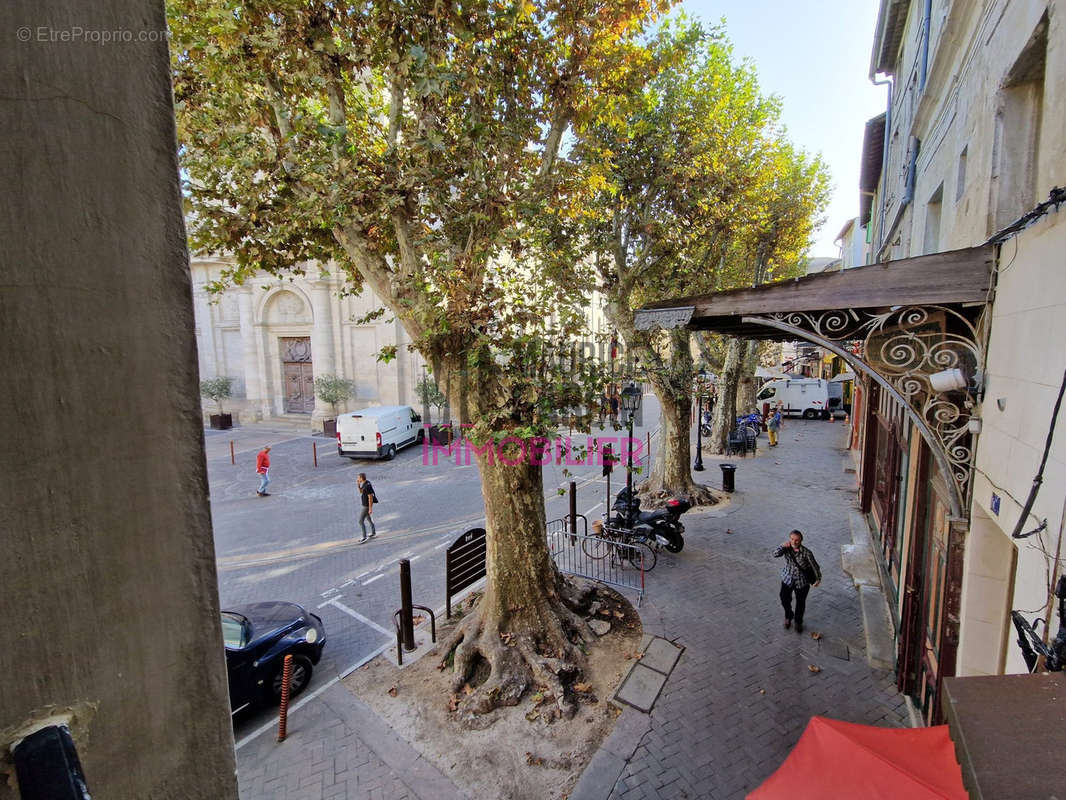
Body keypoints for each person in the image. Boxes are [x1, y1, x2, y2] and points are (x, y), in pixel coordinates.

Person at [773, 530, 822, 633]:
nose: (794, 542)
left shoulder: (806, 553)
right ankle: (789, 615)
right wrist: (782, 546)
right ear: (789, 539)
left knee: (800, 603)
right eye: (792, 539)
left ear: (801, 541)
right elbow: (775, 554)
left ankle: (798, 621)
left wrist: (818, 579)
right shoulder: (786, 548)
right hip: (788, 579)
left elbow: (815, 566)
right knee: (784, 598)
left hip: (802, 582)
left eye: (797, 540)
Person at [356, 472, 377, 543]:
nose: (357, 479)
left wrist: (370, 508)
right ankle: (373, 533)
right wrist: (358, 485)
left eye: (358, 478)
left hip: (366, 506)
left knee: (360, 521)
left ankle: (364, 537)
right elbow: (361, 492)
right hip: (365, 505)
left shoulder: (367, 485)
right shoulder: (365, 483)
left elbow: (370, 497)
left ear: (361, 478)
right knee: (368, 518)